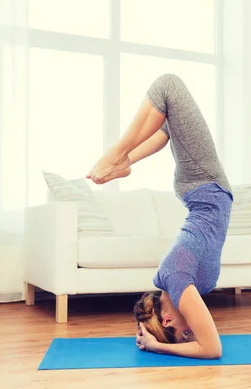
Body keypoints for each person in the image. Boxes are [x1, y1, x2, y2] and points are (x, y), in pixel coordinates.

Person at [86, 74, 233, 359]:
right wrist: (152, 338)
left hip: (203, 184)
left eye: (185, 332)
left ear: (168, 320)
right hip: (202, 189)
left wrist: (157, 345)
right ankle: (124, 161)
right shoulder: (177, 284)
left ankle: (118, 155)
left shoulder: (177, 283)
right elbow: (210, 346)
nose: (192, 331)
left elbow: (212, 349)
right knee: (167, 119)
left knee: (168, 87)